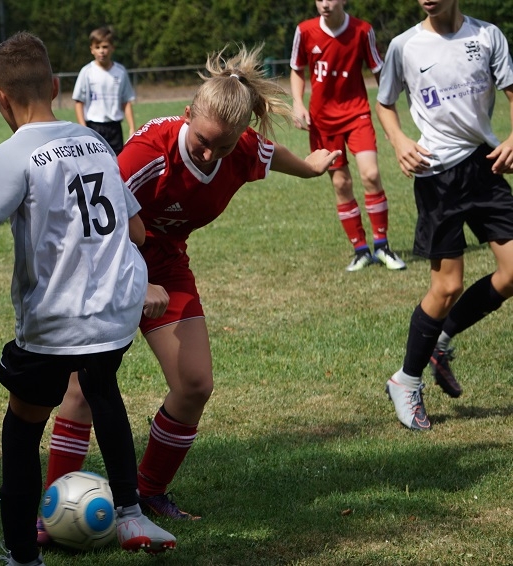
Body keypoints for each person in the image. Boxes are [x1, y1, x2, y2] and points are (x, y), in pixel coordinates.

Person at [39, 44, 341, 537]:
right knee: (82, 388)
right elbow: (95, 226)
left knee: (195, 384)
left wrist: (310, 167)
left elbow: (269, 154)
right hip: (105, 261)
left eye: (223, 147)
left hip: (167, 265)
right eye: (202, 142)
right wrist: (136, 282)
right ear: (186, 115)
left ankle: (147, 490)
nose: (209, 154)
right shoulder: (147, 154)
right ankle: (51, 513)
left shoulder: (239, 149)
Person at [0, 31, 177, 566]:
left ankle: (21, 555)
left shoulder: (15, 153)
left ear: (0, 98)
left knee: (22, 427)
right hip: (113, 315)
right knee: (101, 385)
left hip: (55, 320)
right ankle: (130, 513)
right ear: (55, 86)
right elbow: (137, 230)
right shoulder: (95, 142)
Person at [375, 0, 513, 431]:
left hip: (486, 165)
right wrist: (399, 141)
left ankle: (442, 339)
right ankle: (405, 380)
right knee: (447, 285)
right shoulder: (403, 46)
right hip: (437, 176)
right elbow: (384, 103)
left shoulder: (487, 36)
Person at [290, 0, 406, 272]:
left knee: (371, 174)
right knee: (341, 184)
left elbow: (380, 72)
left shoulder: (362, 30)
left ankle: (382, 246)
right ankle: (361, 250)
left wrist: (390, 117)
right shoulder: (304, 31)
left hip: (357, 114)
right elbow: (297, 68)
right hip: (323, 122)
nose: (325, 4)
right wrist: (297, 102)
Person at [72, 26, 137, 155]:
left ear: (112, 48)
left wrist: (132, 128)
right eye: (97, 47)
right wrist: (83, 128)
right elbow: (79, 102)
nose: (101, 51)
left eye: (105, 47)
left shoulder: (120, 72)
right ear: (92, 50)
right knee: (95, 162)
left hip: (114, 127)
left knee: (116, 162)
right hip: (93, 127)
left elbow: (126, 102)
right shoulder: (87, 72)